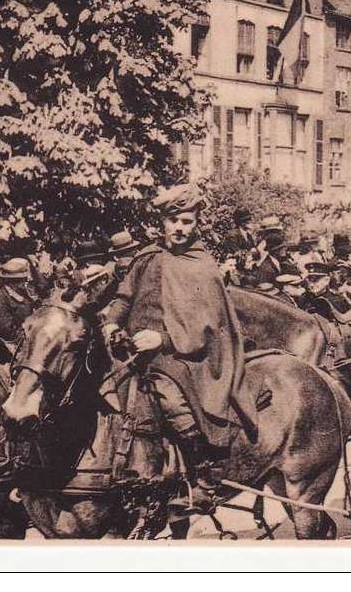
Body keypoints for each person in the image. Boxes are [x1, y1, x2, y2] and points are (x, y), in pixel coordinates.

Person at [102, 183, 258, 513]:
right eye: (174, 221)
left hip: (183, 356)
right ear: (163, 223)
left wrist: (164, 340)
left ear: (196, 223)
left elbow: (210, 322)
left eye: (187, 222)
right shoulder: (146, 257)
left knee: (172, 403)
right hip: (129, 352)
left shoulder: (202, 265)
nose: (180, 228)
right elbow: (123, 298)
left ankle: (201, 478)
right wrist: (112, 323)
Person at [0, 257, 38, 351]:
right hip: (11, 346)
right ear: (11, 282)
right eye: (21, 280)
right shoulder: (1, 298)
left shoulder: (26, 293)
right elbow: (7, 330)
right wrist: (32, 336)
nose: (25, 283)